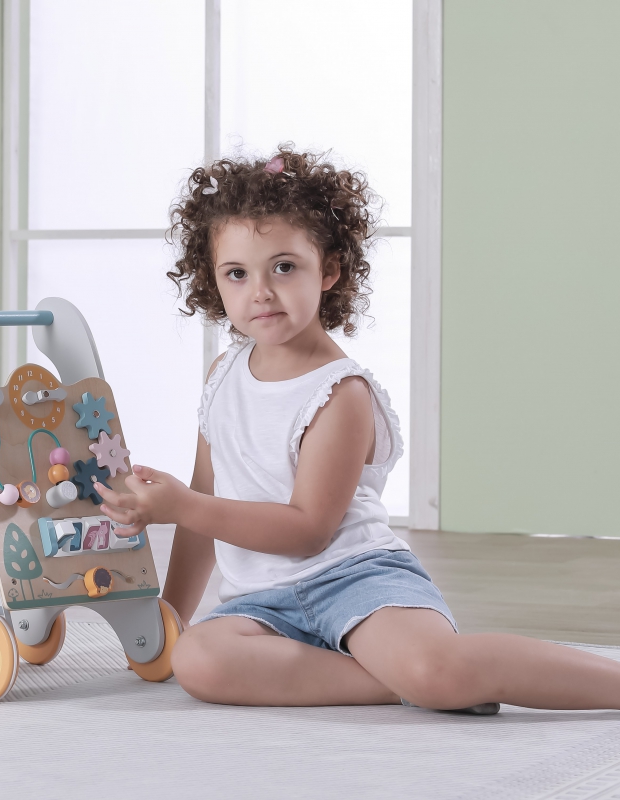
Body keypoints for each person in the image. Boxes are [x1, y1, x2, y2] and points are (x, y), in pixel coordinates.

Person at [95, 146, 620, 712]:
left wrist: (183, 506)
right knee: (200, 660)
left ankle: (452, 680)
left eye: (284, 267)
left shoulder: (340, 392)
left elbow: (307, 530)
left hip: (356, 581)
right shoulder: (223, 376)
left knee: (437, 670)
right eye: (237, 273)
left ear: (329, 270)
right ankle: (394, 683)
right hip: (262, 603)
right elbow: (204, 501)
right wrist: (169, 619)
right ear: (213, 280)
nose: (261, 291)